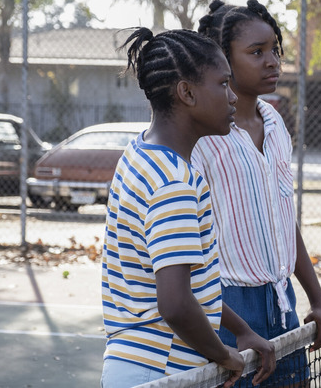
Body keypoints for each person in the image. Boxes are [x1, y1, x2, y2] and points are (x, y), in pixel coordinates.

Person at [101, 27, 276, 388]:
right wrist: (224, 354)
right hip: (162, 369)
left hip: (134, 365)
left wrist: (240, 330)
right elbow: (176, 303)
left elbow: (193, 286)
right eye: (222, 84)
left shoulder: (139, 154)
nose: (231, 97)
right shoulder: (175, 182)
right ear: (186, 93)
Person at [193, 0, 321, 386]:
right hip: (226, 308)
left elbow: (282, 218)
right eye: (256, 52)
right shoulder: (201, 136)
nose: (272, 60)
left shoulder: (273, 122)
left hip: (281, 300)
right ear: (222, 59)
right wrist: (232, 323)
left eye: (274, 48)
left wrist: (317, 299)